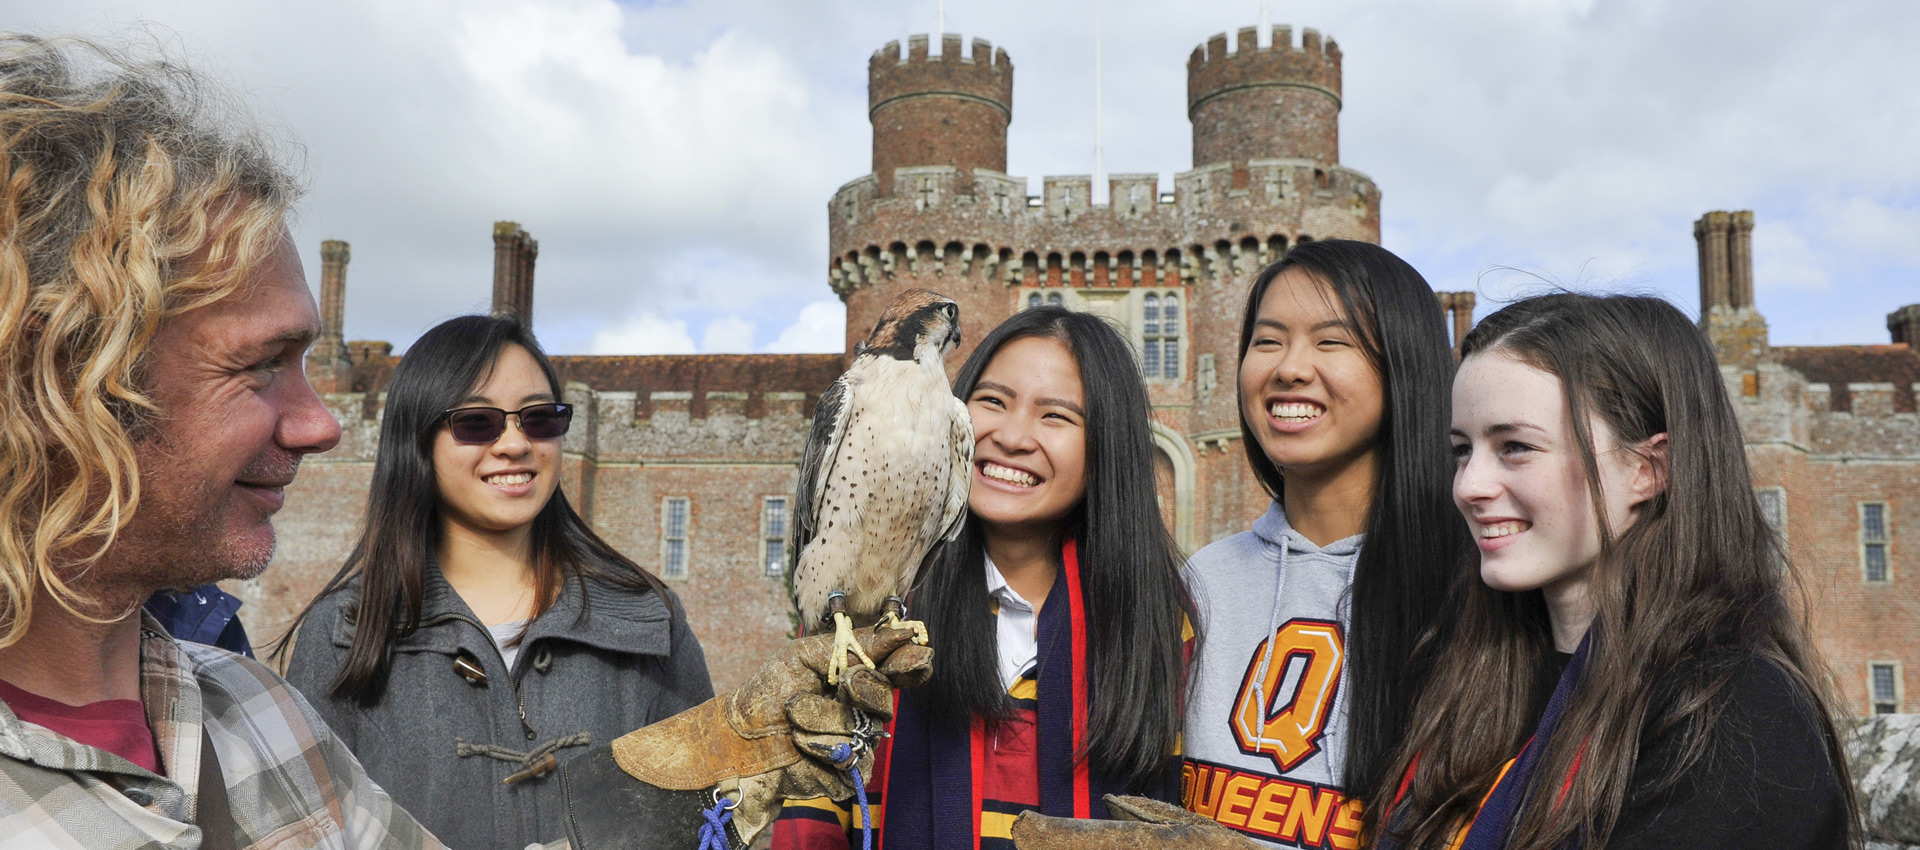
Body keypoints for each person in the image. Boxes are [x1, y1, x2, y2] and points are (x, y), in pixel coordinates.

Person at [0, 33, 923, 850]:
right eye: (258, 366)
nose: (322, 424)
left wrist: (734, 759)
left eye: (544, 417)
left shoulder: (256, 721)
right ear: (65, 379)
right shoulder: (332, 642)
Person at [1010, 240, 1472, 850]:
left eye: (1331, 342)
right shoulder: (1203, 581)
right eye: (1268, 340)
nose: (1289, 368)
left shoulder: (1469, 591)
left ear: (1405, 366)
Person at [1367, 293, 1857, 849]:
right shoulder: (1476, 679)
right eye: (1462, 450)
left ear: (1647, 471)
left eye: (1517, 447)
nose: (1469, 485)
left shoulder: (1733, 719)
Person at [279, 315, 712, 849]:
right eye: (478, 422)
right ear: (419, 440)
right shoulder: (345, 632)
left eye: (539, 419)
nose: (515, 444)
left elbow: (705, 824)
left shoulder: (650, 622)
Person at [775, 306, 1201, 849]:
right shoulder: (869, 617)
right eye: (994, 402)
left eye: (1056, 416)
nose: (1014, 436)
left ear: (1105, 447)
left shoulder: (1158, 624)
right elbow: (808, 825)